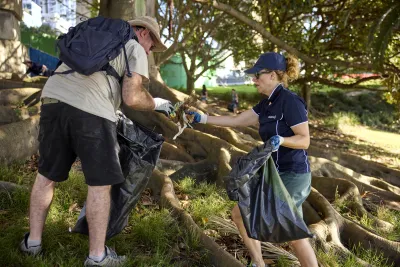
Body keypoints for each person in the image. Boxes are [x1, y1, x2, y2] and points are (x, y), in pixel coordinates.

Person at [19, 16, 173, 267]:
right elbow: (132, 97)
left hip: (52, 101)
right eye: (152, 45)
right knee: (100, 185)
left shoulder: (91, 40)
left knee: (46, 175)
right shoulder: (133, 46)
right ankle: (97, 257)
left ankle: (32, 244)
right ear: (143, 32)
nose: (150, 51)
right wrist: (156, 103)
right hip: (91, 111)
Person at [188, 52, 318, 267]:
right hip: (272, 173)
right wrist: (203, 118)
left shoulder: (290, 102)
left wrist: (282, 140)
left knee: (291, 230)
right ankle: (258, 262)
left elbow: (304, 140)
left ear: (274, 75)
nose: (254, 79)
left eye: (258, 75)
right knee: (240, 213)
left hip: (293, 174)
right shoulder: (267, 103)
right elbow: (237, 119)